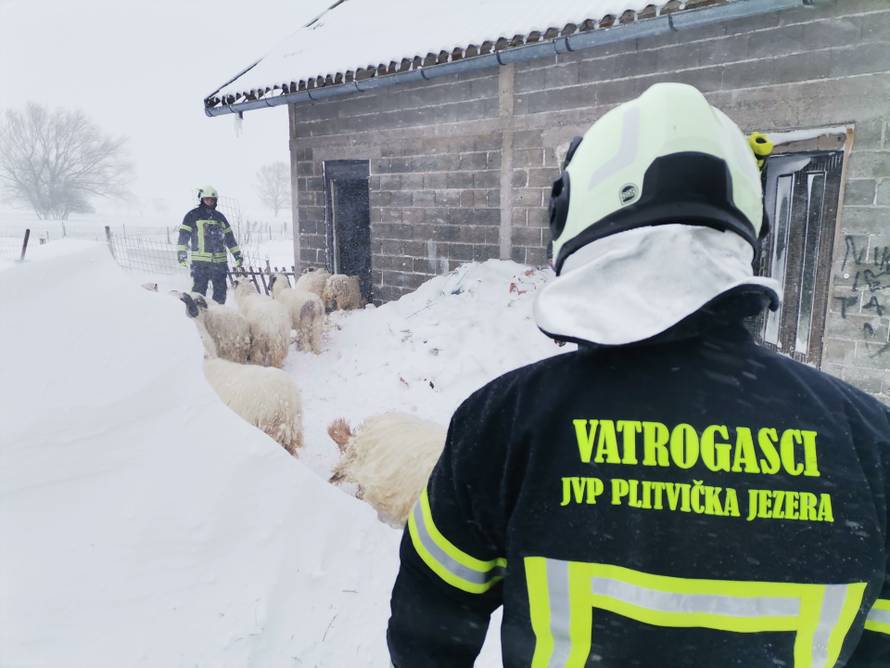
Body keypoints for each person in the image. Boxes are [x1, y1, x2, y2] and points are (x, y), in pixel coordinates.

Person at [386, 83, 890, 667]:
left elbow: (427, 633)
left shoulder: (505, 423)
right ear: (755, 232)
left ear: (572, 216)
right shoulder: (871, 443)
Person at [177, 185, 243, 304]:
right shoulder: (192, 215)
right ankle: (197, 316)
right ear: (202, 199)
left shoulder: (220, 217)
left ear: (215, 201)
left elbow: (230, 239)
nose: (210, 202)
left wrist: (237, 255)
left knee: (221, 292)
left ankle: (218, 316)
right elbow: (183, 237)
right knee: (198, 293)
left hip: (220, 263)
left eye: (212, 200)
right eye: (207, 199)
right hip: (200, 263)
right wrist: (182, 255)